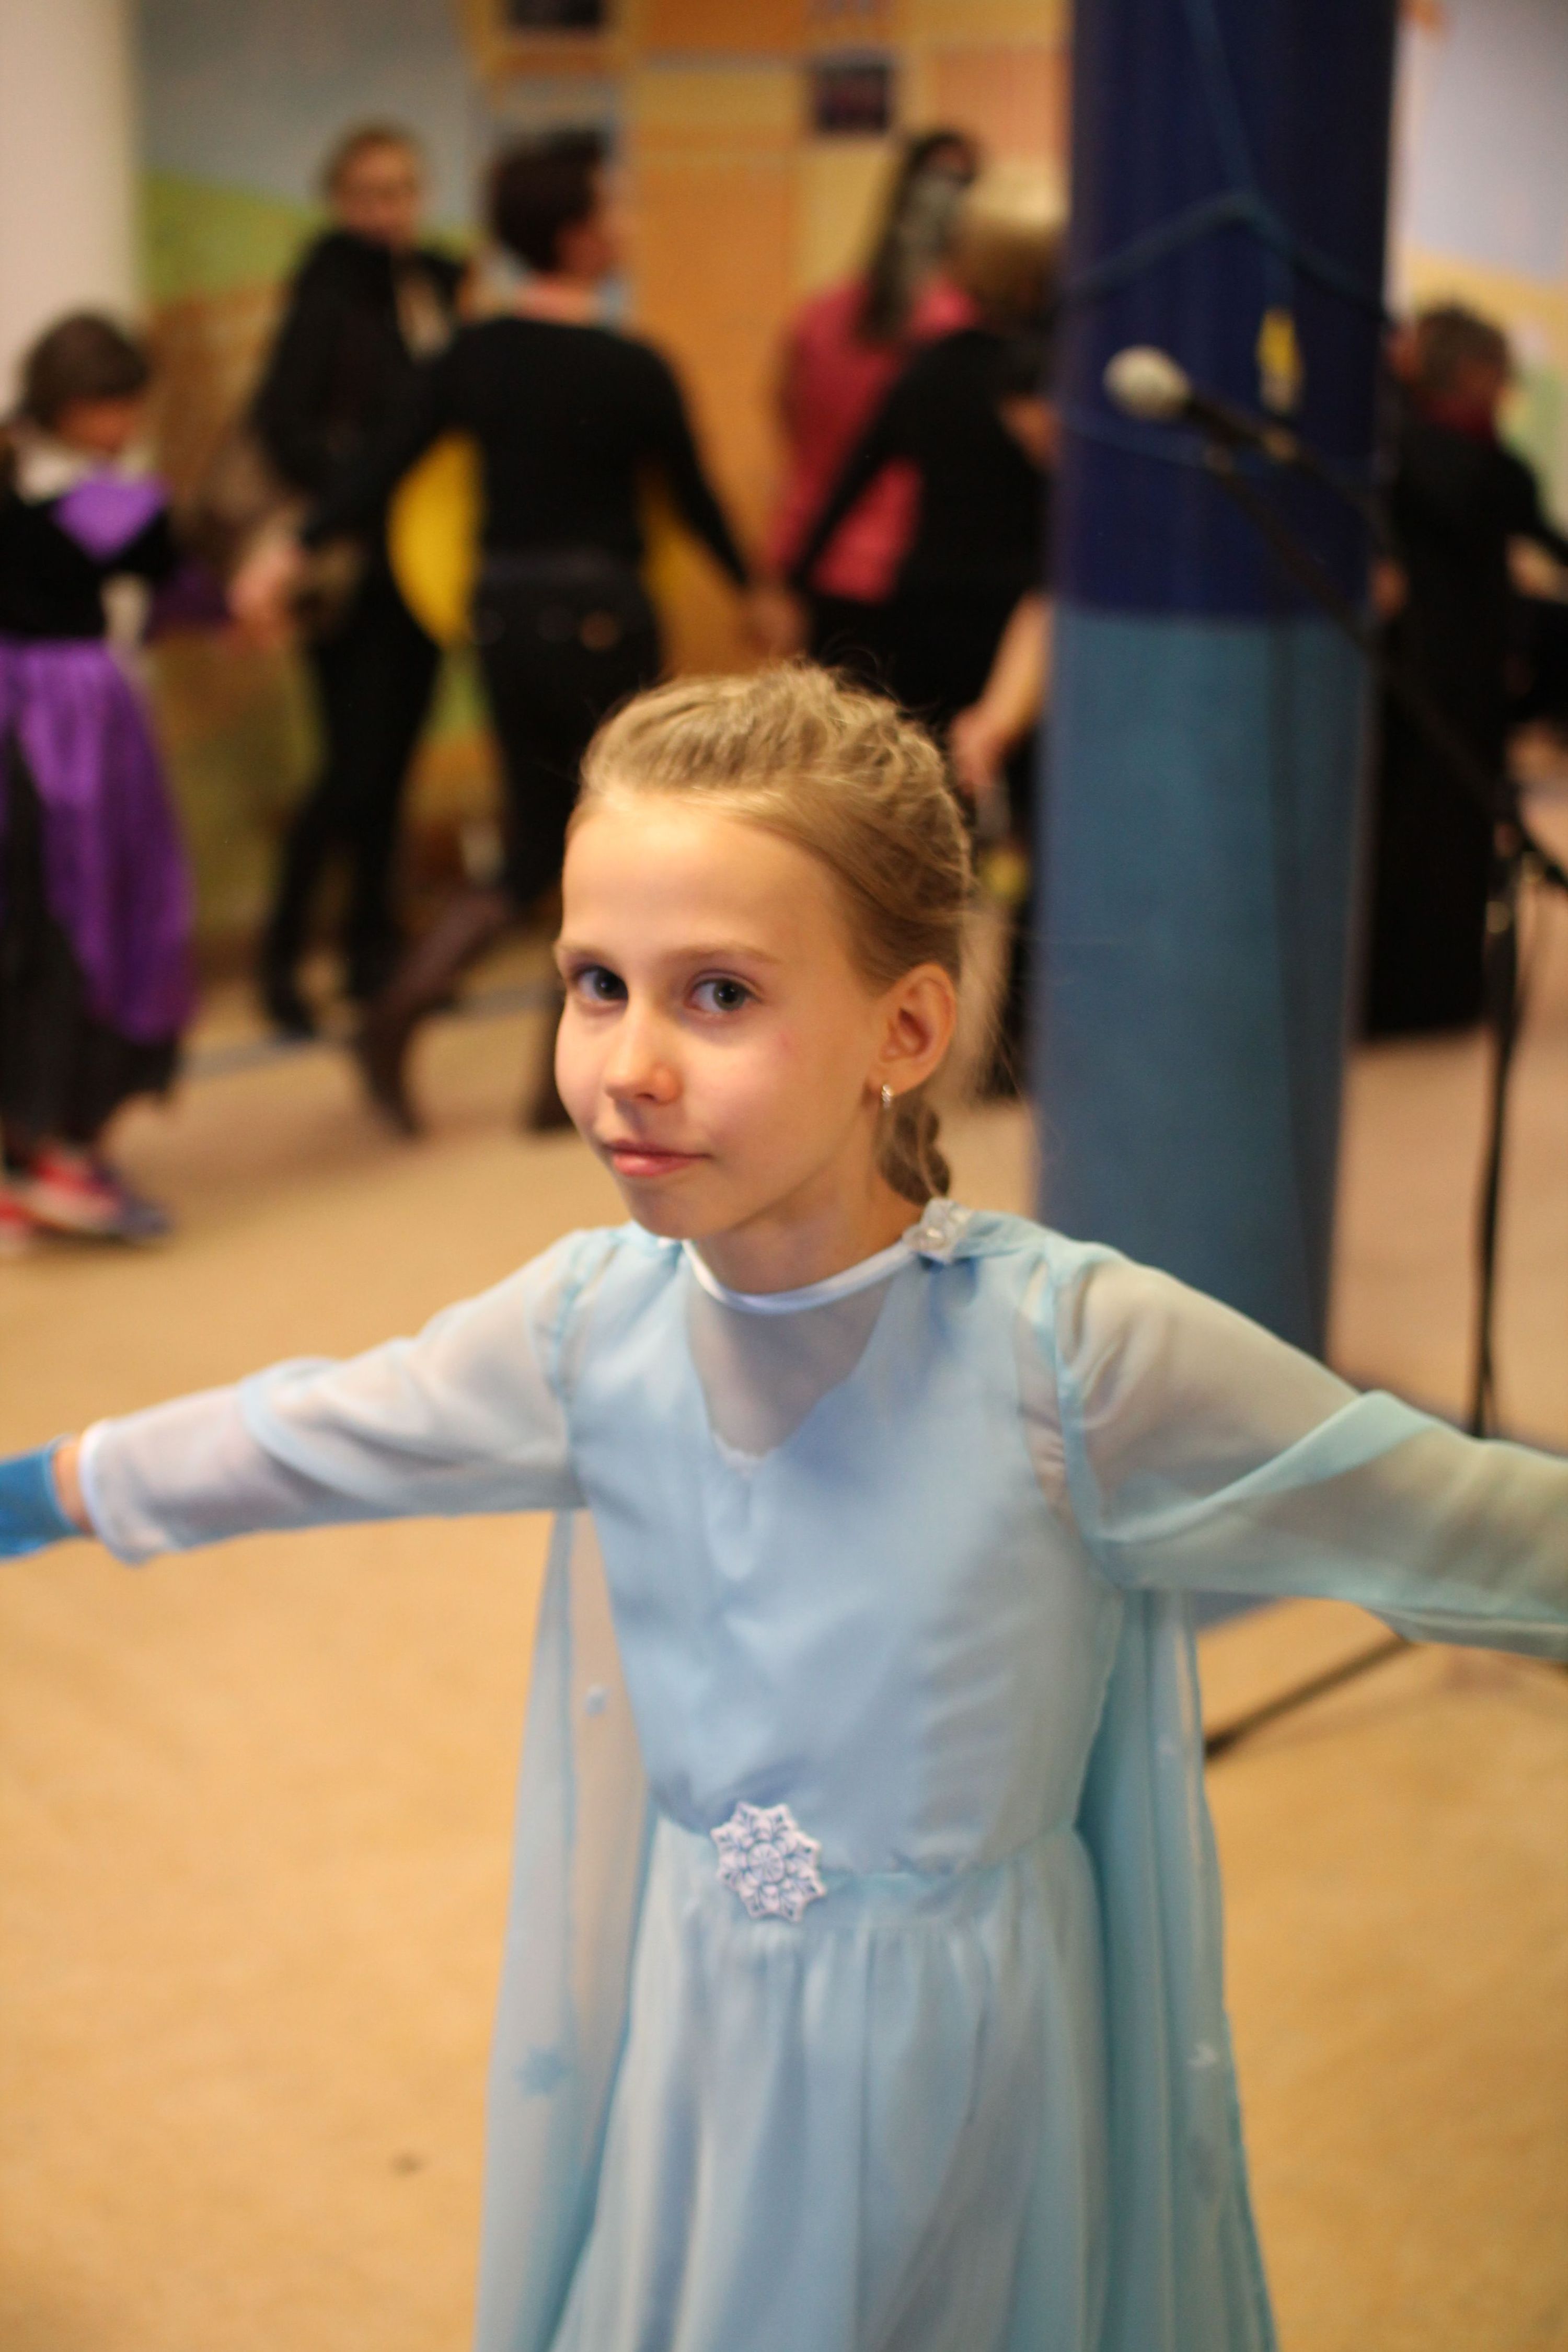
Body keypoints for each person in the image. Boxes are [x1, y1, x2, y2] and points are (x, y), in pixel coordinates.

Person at [4, 663, 1563, 2351]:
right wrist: (47, 1488)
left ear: (908, 1029)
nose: (630, 1065)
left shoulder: (1068, 1356)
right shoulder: (590, 1327)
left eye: (720, 995)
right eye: (595, 985)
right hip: (704, 2006)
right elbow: (315, 1431)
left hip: (957, 2054)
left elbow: (1453, 1519)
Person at [237, 129, 778, 1134]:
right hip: (602, 617)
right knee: (607, 844)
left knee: (538, 839)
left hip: (501, 618)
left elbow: (378, 466)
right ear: (576, 236)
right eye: (613, 208)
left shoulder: (472, 354)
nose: (626, 224)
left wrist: (291, 552)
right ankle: (545, 1082)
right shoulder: (631, 365)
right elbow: (695, 496)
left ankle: (409, 1020)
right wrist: (756, 590)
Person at [792, 163, 1062, 1093]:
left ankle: (903, 1039)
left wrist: (796, 583)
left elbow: (848, 486)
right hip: (1029, 621)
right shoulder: (1057, 376)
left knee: (926, 836)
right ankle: (1016, 1054)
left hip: (931, 614)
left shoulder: (929, 370)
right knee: (1040, 834)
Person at [250, 123, 465, 1036]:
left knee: (391, 773)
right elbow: (280, 423)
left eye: (402, 191)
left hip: (425, 565)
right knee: (350, 772)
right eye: (371, 193)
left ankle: (373, 955)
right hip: (351, 572)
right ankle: (282, 958)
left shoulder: (435, 286)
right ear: (339, 201)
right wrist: (359, 490)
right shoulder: (329, 290)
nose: (388, 211)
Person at [0, 314, 195, 1249]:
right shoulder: (107, 506)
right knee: (82, 927)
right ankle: (52, 1151)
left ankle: (37, 1149)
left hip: (43, 730)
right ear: (74, 406)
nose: (126, 427)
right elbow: (178, 575)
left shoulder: (64, 491)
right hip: (66, 737)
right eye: (115, 407)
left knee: (48, 930)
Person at [1366, 304, 1568, 1036]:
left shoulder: (1402, 450)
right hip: (1440, 680)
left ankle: (1421, 998)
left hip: (1437, 681)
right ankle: (1424, 999)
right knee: (1429, 843)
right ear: (1473, 372)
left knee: (1431, 843)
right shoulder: (1462, 464)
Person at [765, 128, 979, 685]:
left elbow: (794, 434)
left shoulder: (821, 315)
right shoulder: (965, 332)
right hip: (928, 579)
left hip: (825, 567)